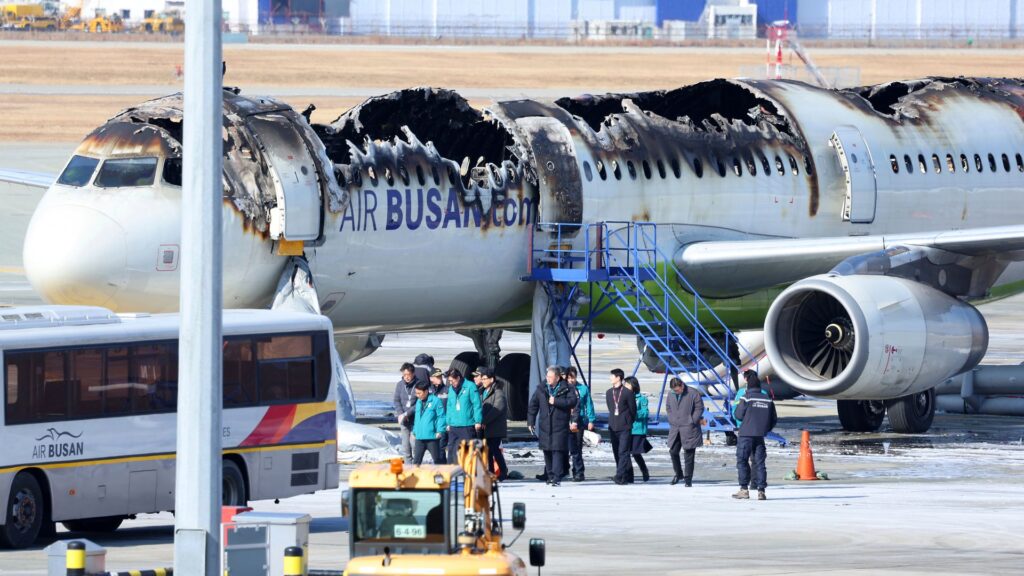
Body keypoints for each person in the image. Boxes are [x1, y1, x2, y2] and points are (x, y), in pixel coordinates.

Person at [527, 365, 577, 486]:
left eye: (551, 377)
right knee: (547, 451)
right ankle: (549, 475)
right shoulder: (542, 388)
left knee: (557, 451)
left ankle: (556, 477)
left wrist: (557, 402)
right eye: (547, 376)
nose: (548, 379)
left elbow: (572, 402)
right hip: (545, 425)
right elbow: (533, 405)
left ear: (557, 377)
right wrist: (531, 421)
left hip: (559, 425)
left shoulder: (567, 388)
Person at [733, 370, 778, 501]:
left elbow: (738, 415)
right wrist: (764, 429)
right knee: (759, 462)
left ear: (748, 386)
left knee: (742, 460)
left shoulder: (746, 397)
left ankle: (744, 489)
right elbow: (773, 418)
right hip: (760, 436)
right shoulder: (767, 398)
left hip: (746, 434)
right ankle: (761, 491)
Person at [666, 377, 704, 487]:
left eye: (677, 390)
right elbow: (668, 407)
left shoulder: (693, 393)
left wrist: (692, 420)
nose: (676, 392)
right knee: (673, 451)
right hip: (675, 428)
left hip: (689, 428)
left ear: (682, 385)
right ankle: (678, 474)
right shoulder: (670, 394)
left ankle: (688, 479)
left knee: (689, 454)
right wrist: (671, 418)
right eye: (674, 391)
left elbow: (699, 408)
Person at [445, 368, 482, 465]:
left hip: (467, 424)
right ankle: (451, 473)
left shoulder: (470, 386)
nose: (451, 383)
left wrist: (478, 421)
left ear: (458, 378)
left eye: (452, 380)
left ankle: (470, 474)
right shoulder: (451, 389)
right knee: (451, 450)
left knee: (468, 451)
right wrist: (448, 422)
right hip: (453, 425)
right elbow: (449, 406)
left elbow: (476, 405)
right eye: (449, 381)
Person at [477, 366, 509, 481]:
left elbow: (497, 408)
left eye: (485, 379)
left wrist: (484, 421)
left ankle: (503, 471)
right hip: (487, 428)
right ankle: (490, 472)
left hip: (495, 428)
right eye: (482, 379)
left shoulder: (498, 392)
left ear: (492, 379)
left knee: (495, 450)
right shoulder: (483, 392)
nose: (483, 381)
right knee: (489, 452)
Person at [605, 368, 636, 485]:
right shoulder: (609, 392)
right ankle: (625, 475)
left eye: (612, 376)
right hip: (613, 426)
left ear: (618, 377)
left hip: (625, 427)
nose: (610, 378)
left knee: (623, 452)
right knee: (616, 452)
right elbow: (610, 408)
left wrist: (628, 421)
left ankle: (619, 475)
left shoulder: (627, 393)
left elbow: (633, 410)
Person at [566, 366, 595, 482]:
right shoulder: (564, 388)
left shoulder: (583, 389)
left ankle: (578, 471)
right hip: (565, 421)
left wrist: (591, 420)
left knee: (576, 447)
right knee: (566, 448)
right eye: (569, 378)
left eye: (573, 378)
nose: (571, 380)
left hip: (579, 422)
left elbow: (589, 404)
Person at [411, 381, 446, 465]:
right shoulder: (419, 402)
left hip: (432, 437)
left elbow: (441, 416)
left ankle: (442, 476)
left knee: (437, 460)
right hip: (419, 437)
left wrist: (440, 430)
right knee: (416, 461)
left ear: (426, 391)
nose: (417, 395)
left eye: (419, 393)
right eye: (416, 393)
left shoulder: (436, 401)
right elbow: (417, 418)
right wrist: (415, 431)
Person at [392, 362, 421, 462]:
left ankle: (417, 465)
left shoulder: (418, 384)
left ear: (413, 374)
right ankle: (408, 469)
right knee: (405, 447)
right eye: (404, 375)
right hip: (404, 420)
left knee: (414, 443)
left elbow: (419, 403)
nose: (406, 377)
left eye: (408, 375)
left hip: (415, 420)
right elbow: (396, 400)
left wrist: (407, 413)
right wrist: (401, 413)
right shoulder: (400, 385)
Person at [625, 376, 650, 483]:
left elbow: (645, 412)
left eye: (627, 384)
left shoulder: (642, 398)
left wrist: (633, 413)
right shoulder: (624, 397)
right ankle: (629, 474)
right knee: (625, 452)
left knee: (635, 452)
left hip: (637, 429)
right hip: (626, 428)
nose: (625, 386)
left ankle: (644, 470)